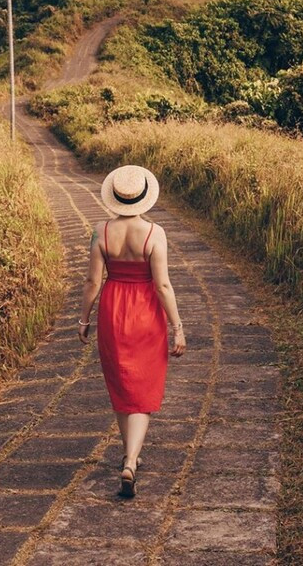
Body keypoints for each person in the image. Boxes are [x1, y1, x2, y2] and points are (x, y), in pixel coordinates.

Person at [78, 164, 186, 498]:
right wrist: (177, 327)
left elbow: (93, 281)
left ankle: (130, 456)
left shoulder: (101, 231)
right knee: (143, 385)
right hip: (145, 312)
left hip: (113, 309)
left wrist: (84, 319)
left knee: (120, 383)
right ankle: (131, 460)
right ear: (144, 197)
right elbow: (163, 284)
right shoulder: (155, 234)